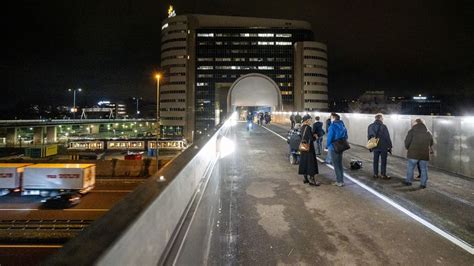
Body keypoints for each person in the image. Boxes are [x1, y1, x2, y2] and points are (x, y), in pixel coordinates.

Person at [403, 118, 434, 189]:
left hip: (413, 153)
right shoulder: (428, 132)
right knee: (424, 169)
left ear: (416, 123)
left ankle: (408, 181)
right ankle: (423, 184)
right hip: (424, 154)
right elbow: (431, 142)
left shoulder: (412, 131)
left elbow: (407, 142)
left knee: (410, 167)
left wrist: (409, 148)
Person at [367, 113, 393, 179]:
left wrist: (370, 145)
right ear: (381, 118)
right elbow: (387, 137)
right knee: (383, 161)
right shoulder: (383, 126)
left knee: (375, 160)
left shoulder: (370, 126)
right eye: (382, 118)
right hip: (383, 146)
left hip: (374, 145)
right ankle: (383, 174)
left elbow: (369, 136)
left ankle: (375, 174)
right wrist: (390, 146)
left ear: (375, 118)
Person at [326, 113, 348, 187]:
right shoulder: (343, 126)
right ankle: (341, 180)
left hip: (333, 147)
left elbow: (330, 138)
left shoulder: (332, 126)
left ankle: (339, 181)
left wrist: (327, 145)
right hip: (341, 146)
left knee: (336, 165)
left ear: (333, 118)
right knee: (340, 164)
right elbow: (346, 136)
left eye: (331, 117)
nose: (330, 118)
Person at [298, 115, 320, 186]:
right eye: (310, 119)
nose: (311, 121)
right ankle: (312, 180)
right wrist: (315, 137)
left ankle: (305, 178)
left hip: (303, 148)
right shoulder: (308, 127)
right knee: (311, 163)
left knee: (304, 162)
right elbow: (311, 138)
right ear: (307, 120)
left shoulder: (302, 127)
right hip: (309, 149)